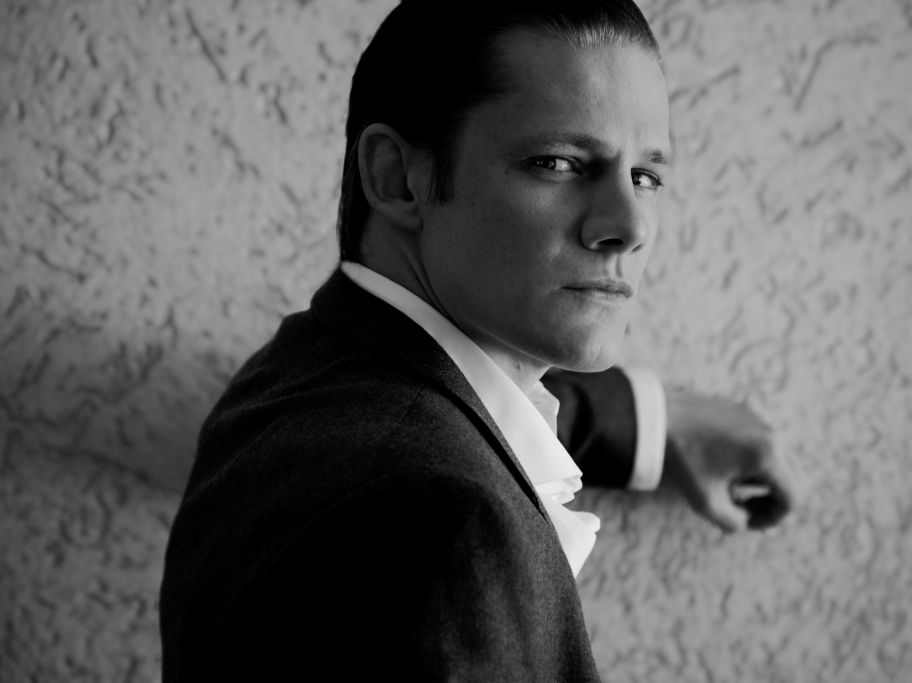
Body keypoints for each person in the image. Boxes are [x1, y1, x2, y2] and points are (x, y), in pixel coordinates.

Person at [159, 0, 798, 680]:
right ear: (396, 178)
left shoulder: (305, 372)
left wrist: (654, 419)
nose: (630, 226)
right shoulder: (437, 524)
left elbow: (467, 412)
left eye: (646, 176)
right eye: (558, 162)